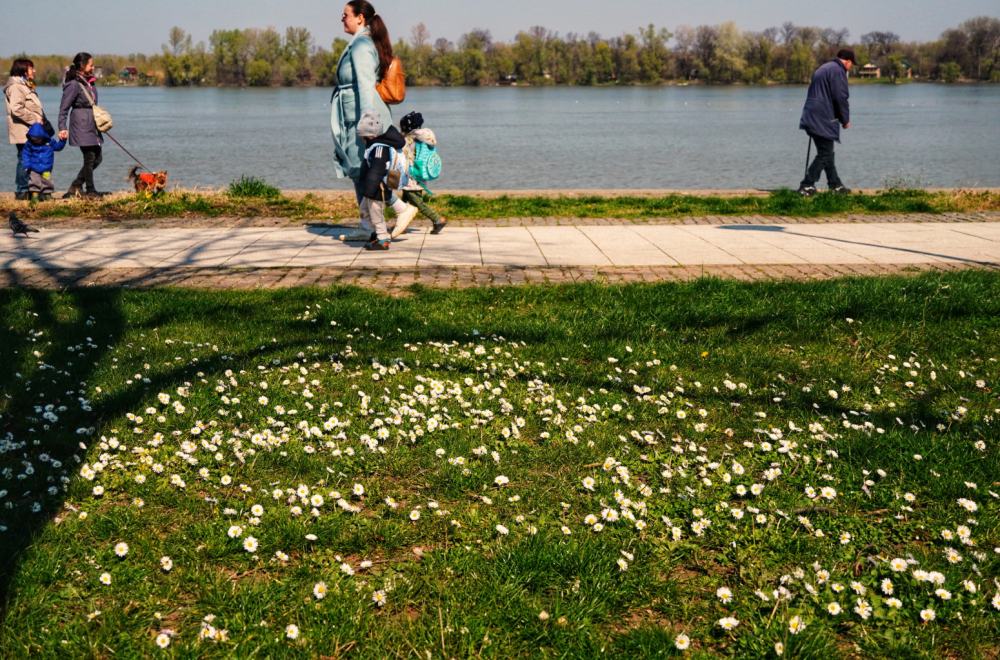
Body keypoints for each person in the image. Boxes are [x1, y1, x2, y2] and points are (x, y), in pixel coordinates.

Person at [331, 1, 417, 228]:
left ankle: (397, 211)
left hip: (360, 118)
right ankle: (367, 226)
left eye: (345, 15)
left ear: (360, 18)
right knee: (360, 171)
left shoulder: (361, 44)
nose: (342, 19)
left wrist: (367, 125)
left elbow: (366, 86)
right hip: (357, 116)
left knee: (362, 170)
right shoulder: (363, 41)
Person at [797, 48, 856, 197]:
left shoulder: (824, 68)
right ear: (847, 62)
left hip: (811, 113)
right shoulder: (837, 71)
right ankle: (807, 185)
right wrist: (845, 119)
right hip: (823, 116)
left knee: (827, 152)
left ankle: (835, 185)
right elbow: (840, 97)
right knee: (825, 153)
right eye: (851, 64)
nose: (850, 67)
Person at [356, 110, 408, 251]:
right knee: (364, 211)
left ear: (371, 135)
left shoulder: (379, 148)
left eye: (363, 136)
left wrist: (369, 190)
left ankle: (382, 239)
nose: (362, 139)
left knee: (376, 214)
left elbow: (376, 170)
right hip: (370, 187)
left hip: (377, 188)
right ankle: (376, 233)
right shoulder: (373, 145)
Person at [58, 52, 105, 199]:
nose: (93, 67)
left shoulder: (89, 82)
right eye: (91, 64)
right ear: (82, 66)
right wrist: (62, 127)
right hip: (81, 125)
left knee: (98, 158)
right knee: (90, 157)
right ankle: (90, 190)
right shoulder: (73, 84)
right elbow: (64, 107)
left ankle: (76, 185)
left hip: (92, 125)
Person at [396, 111, 446, 237]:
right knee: (406, 202)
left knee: (417, 203)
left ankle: (438, 219)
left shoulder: (408, 140)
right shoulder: (424, 139)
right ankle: (402, 224)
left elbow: (402, 158)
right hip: (420, 174)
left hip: (411, 177)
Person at [5, 58, 49, 201]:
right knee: (24, 159)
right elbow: (16, 109)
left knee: (31, 158)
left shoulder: (24, 85)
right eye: (31, 68)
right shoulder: (17, 86)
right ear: (23, 69)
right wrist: (35, 120)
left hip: (31, 131)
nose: (34, 71)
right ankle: (22, 191)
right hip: (23, 130)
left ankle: (32, 190)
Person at [21, 122, 66, 202]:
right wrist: (26, 165)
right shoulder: (29, 144)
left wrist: (63, 140)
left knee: (47, 181)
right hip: (34, 167)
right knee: (34, 181)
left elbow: (58, 147)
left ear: (43, 136)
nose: (36, 140)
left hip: (46, 167)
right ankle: (34, 195)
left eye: (38, 138)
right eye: (33, 138)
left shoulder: (50, 142)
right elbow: (26, 155)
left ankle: (47, 195)